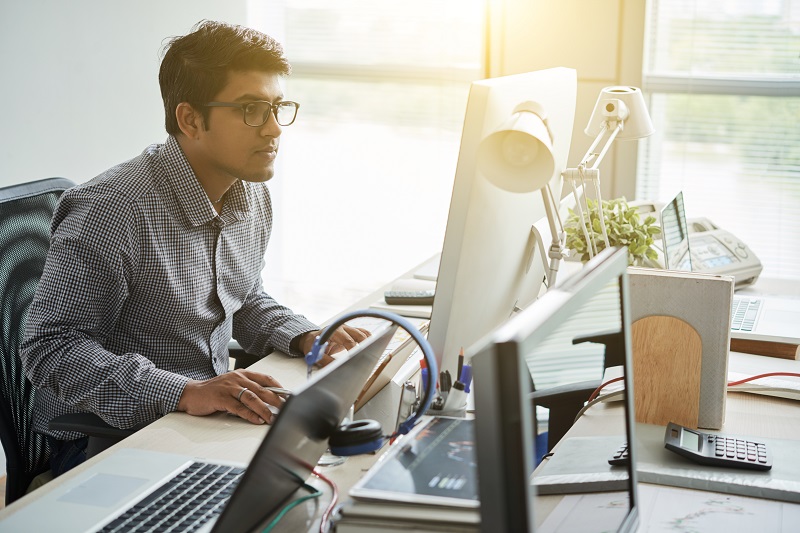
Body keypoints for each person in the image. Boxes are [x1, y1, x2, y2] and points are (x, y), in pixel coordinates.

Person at [21, 20, 369, 476]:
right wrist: (185, 392)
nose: (273, 129)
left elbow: (242, 299)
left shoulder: (248, 190)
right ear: (190, 119)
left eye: (277, 107)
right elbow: (51, 349)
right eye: (250, 109)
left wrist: (307, 337)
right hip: (110, 440)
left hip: (208, 420)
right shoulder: (113, 210)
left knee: (330, 476)